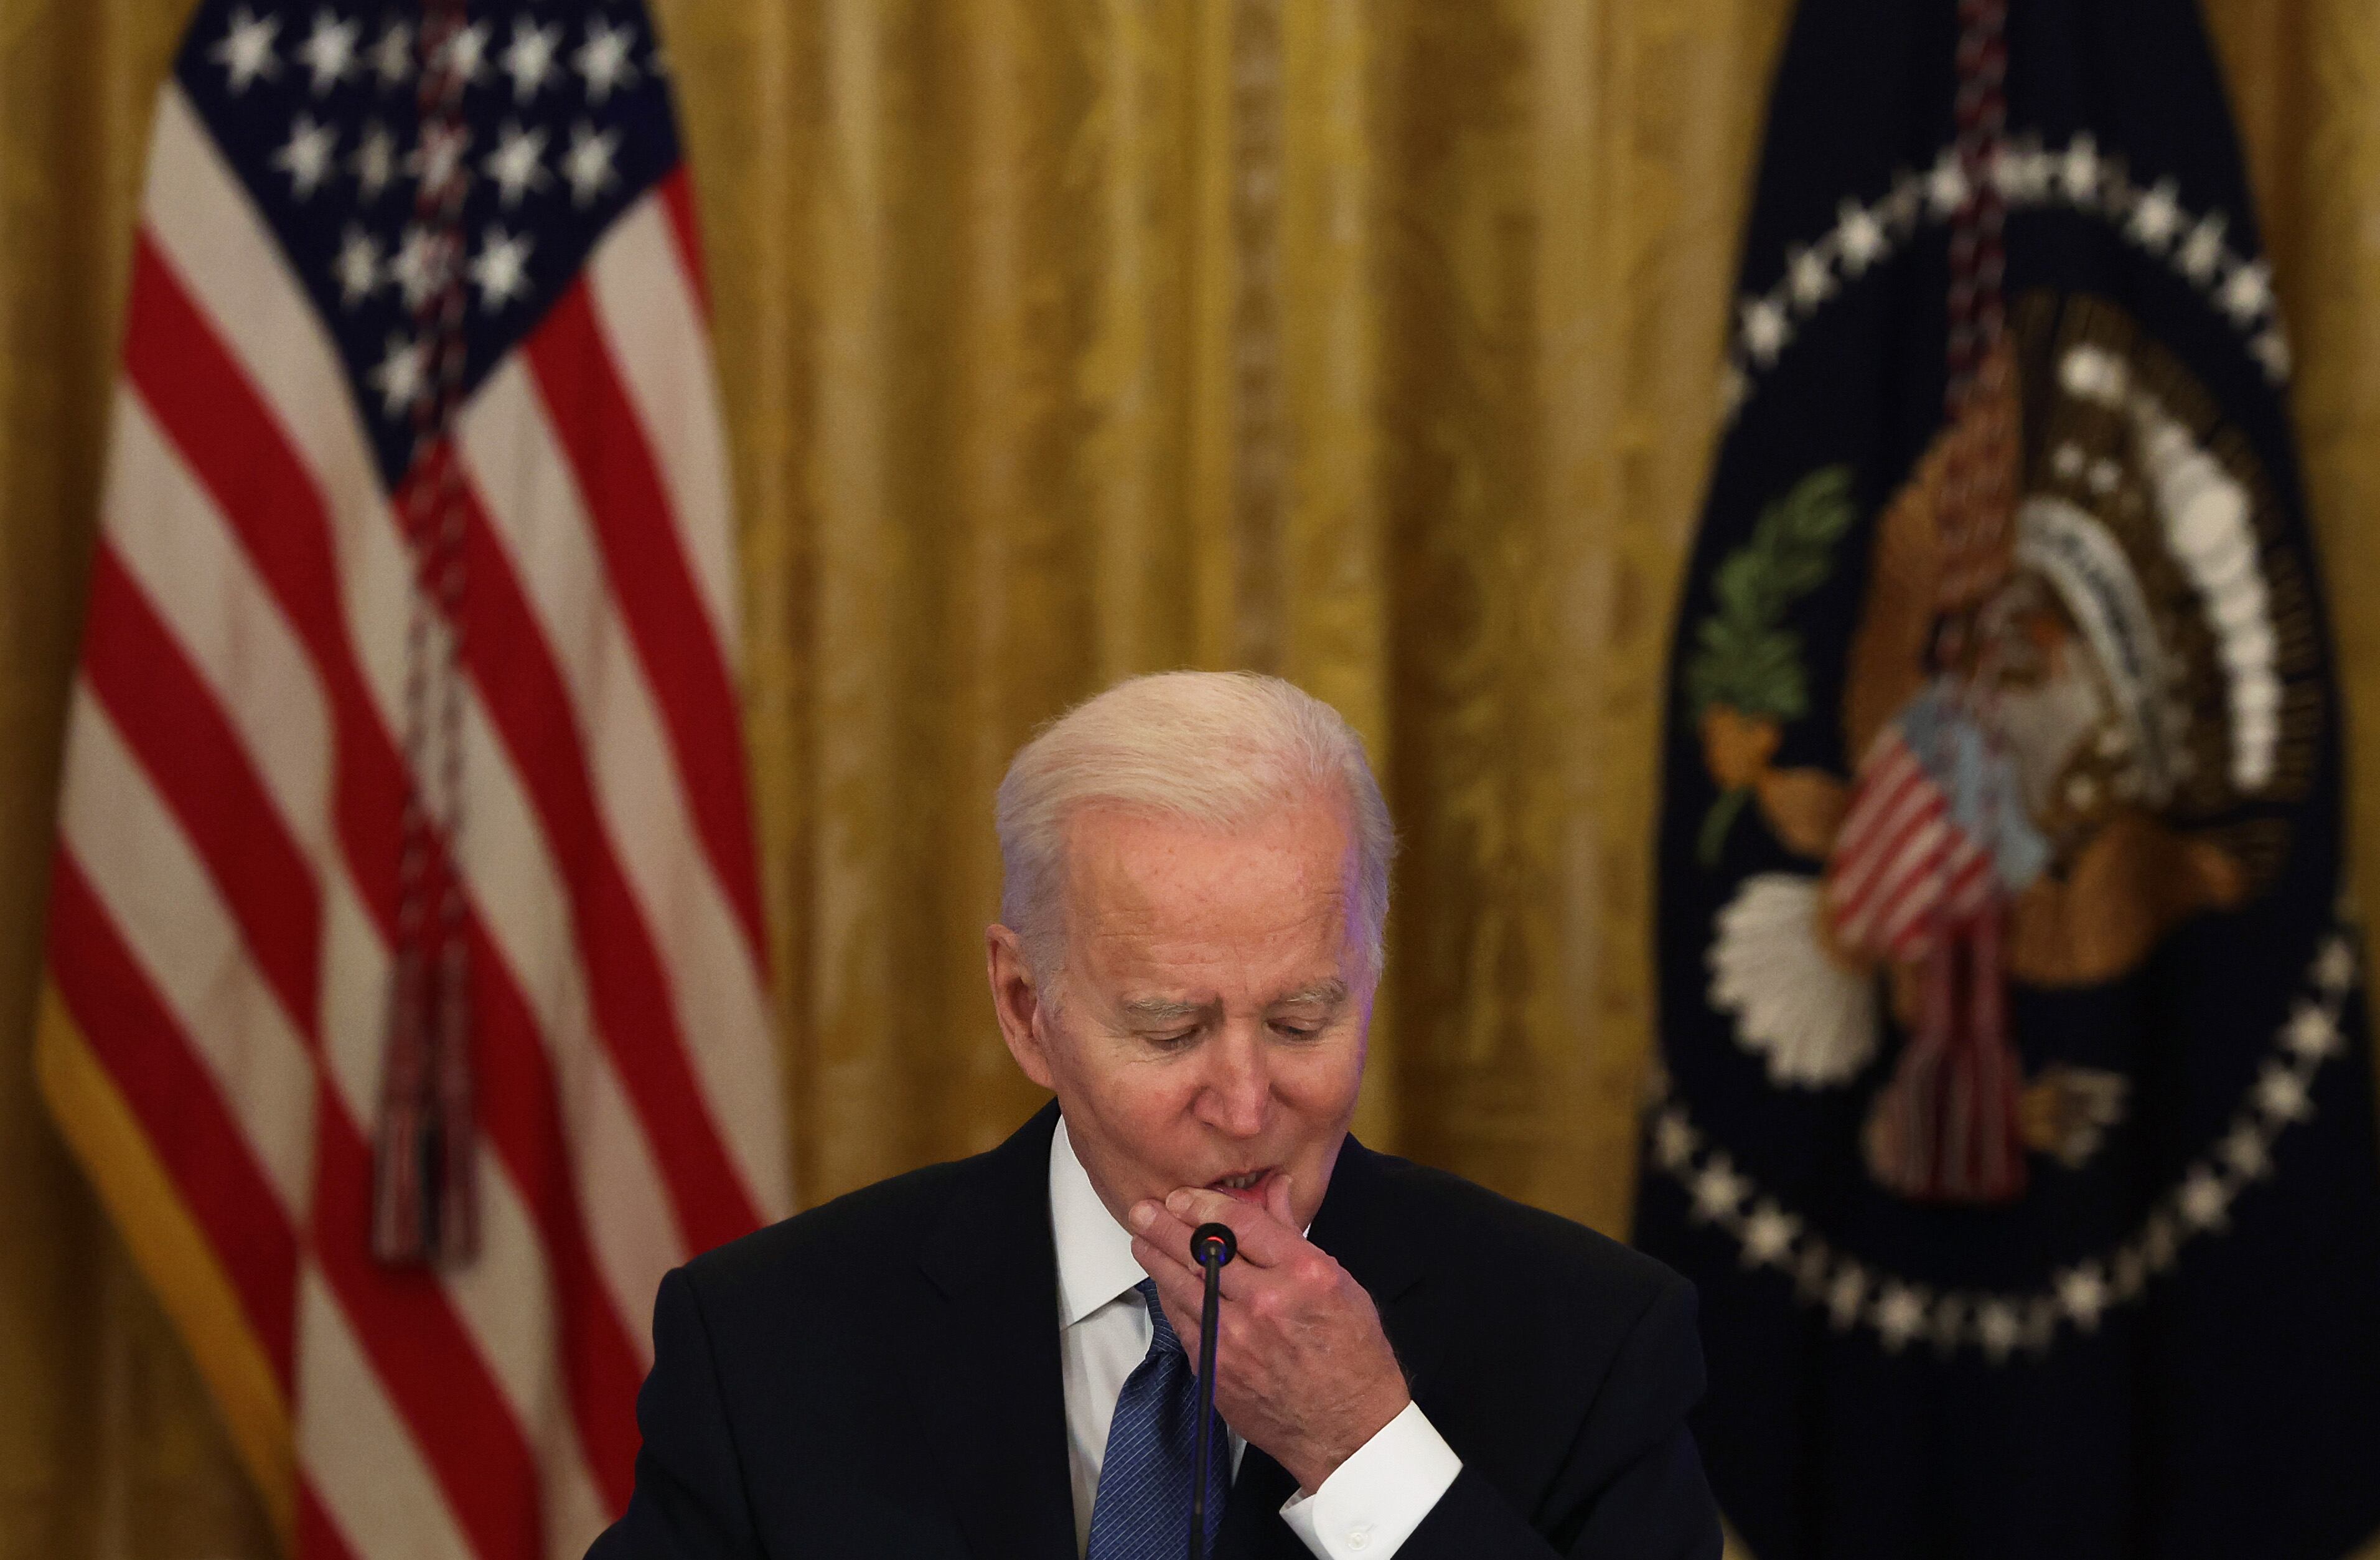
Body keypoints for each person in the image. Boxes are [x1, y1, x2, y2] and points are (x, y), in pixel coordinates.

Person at [589, 672, 1722, 1559]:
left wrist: (1364, 1448)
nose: (1243, 1103)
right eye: (1172, 1031)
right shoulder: (768, 1342)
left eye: (1301, 1019)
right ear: (1027, 1007)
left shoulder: (1593, 1344)